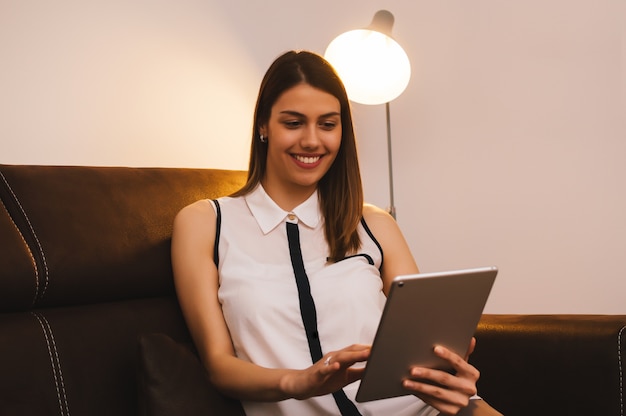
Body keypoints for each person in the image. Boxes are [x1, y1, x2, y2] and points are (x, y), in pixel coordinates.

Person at [171, 50, 502, 416]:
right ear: (263, 125)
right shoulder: (205, 223)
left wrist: (451, 376)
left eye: (328, 124)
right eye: (293, 123)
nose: (312, 141)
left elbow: (422, 343)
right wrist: (297, 381)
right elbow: (219, 366)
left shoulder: (374, 223)